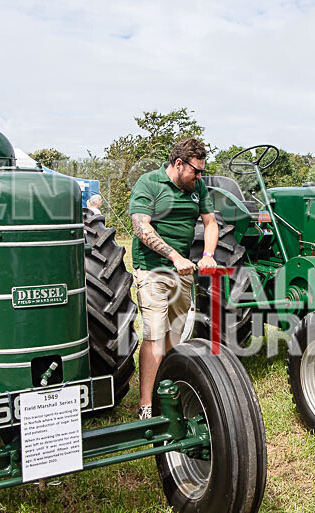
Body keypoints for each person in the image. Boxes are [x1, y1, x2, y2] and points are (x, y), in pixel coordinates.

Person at [128, 138, 218, 419]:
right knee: (154, 336)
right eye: (196, 170)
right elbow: (141, 226)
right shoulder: (149, 183)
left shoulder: (198, 187)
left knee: (174, 338)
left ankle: (167, 392)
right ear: (178, 164)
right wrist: (174, 256)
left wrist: (209, 253)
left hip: (183, 272)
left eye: (203, 171)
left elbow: (210, 223)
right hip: (152, 268)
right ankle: (146, 406)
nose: (200, 176)